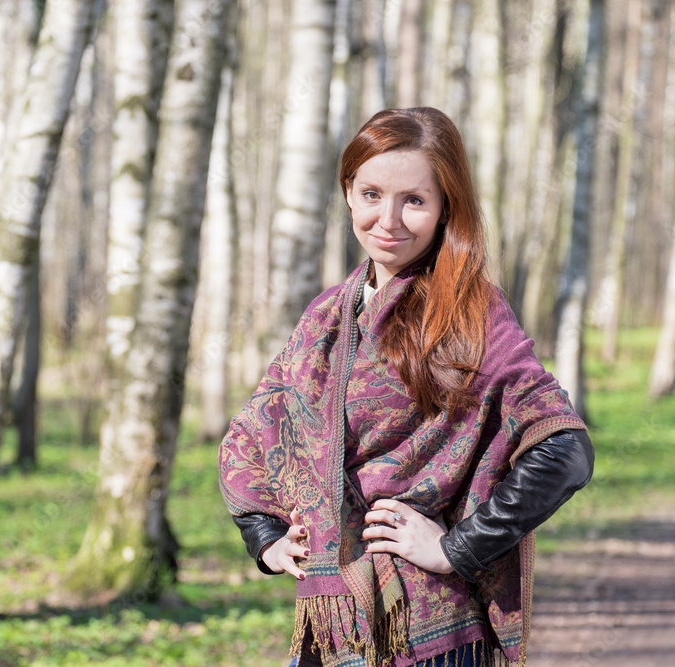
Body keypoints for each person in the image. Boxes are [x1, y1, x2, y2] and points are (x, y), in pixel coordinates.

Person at [219, 107, 593, 667]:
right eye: (372, 194)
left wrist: (456, 548)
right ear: (348, 192)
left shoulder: (472, 314)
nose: (388, 219)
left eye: (413, 200)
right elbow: (254, 435)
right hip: (334, 626)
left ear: (446, 208)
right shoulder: (326, 317)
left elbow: (564, 450)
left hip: (434, 632)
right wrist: (265, 537)